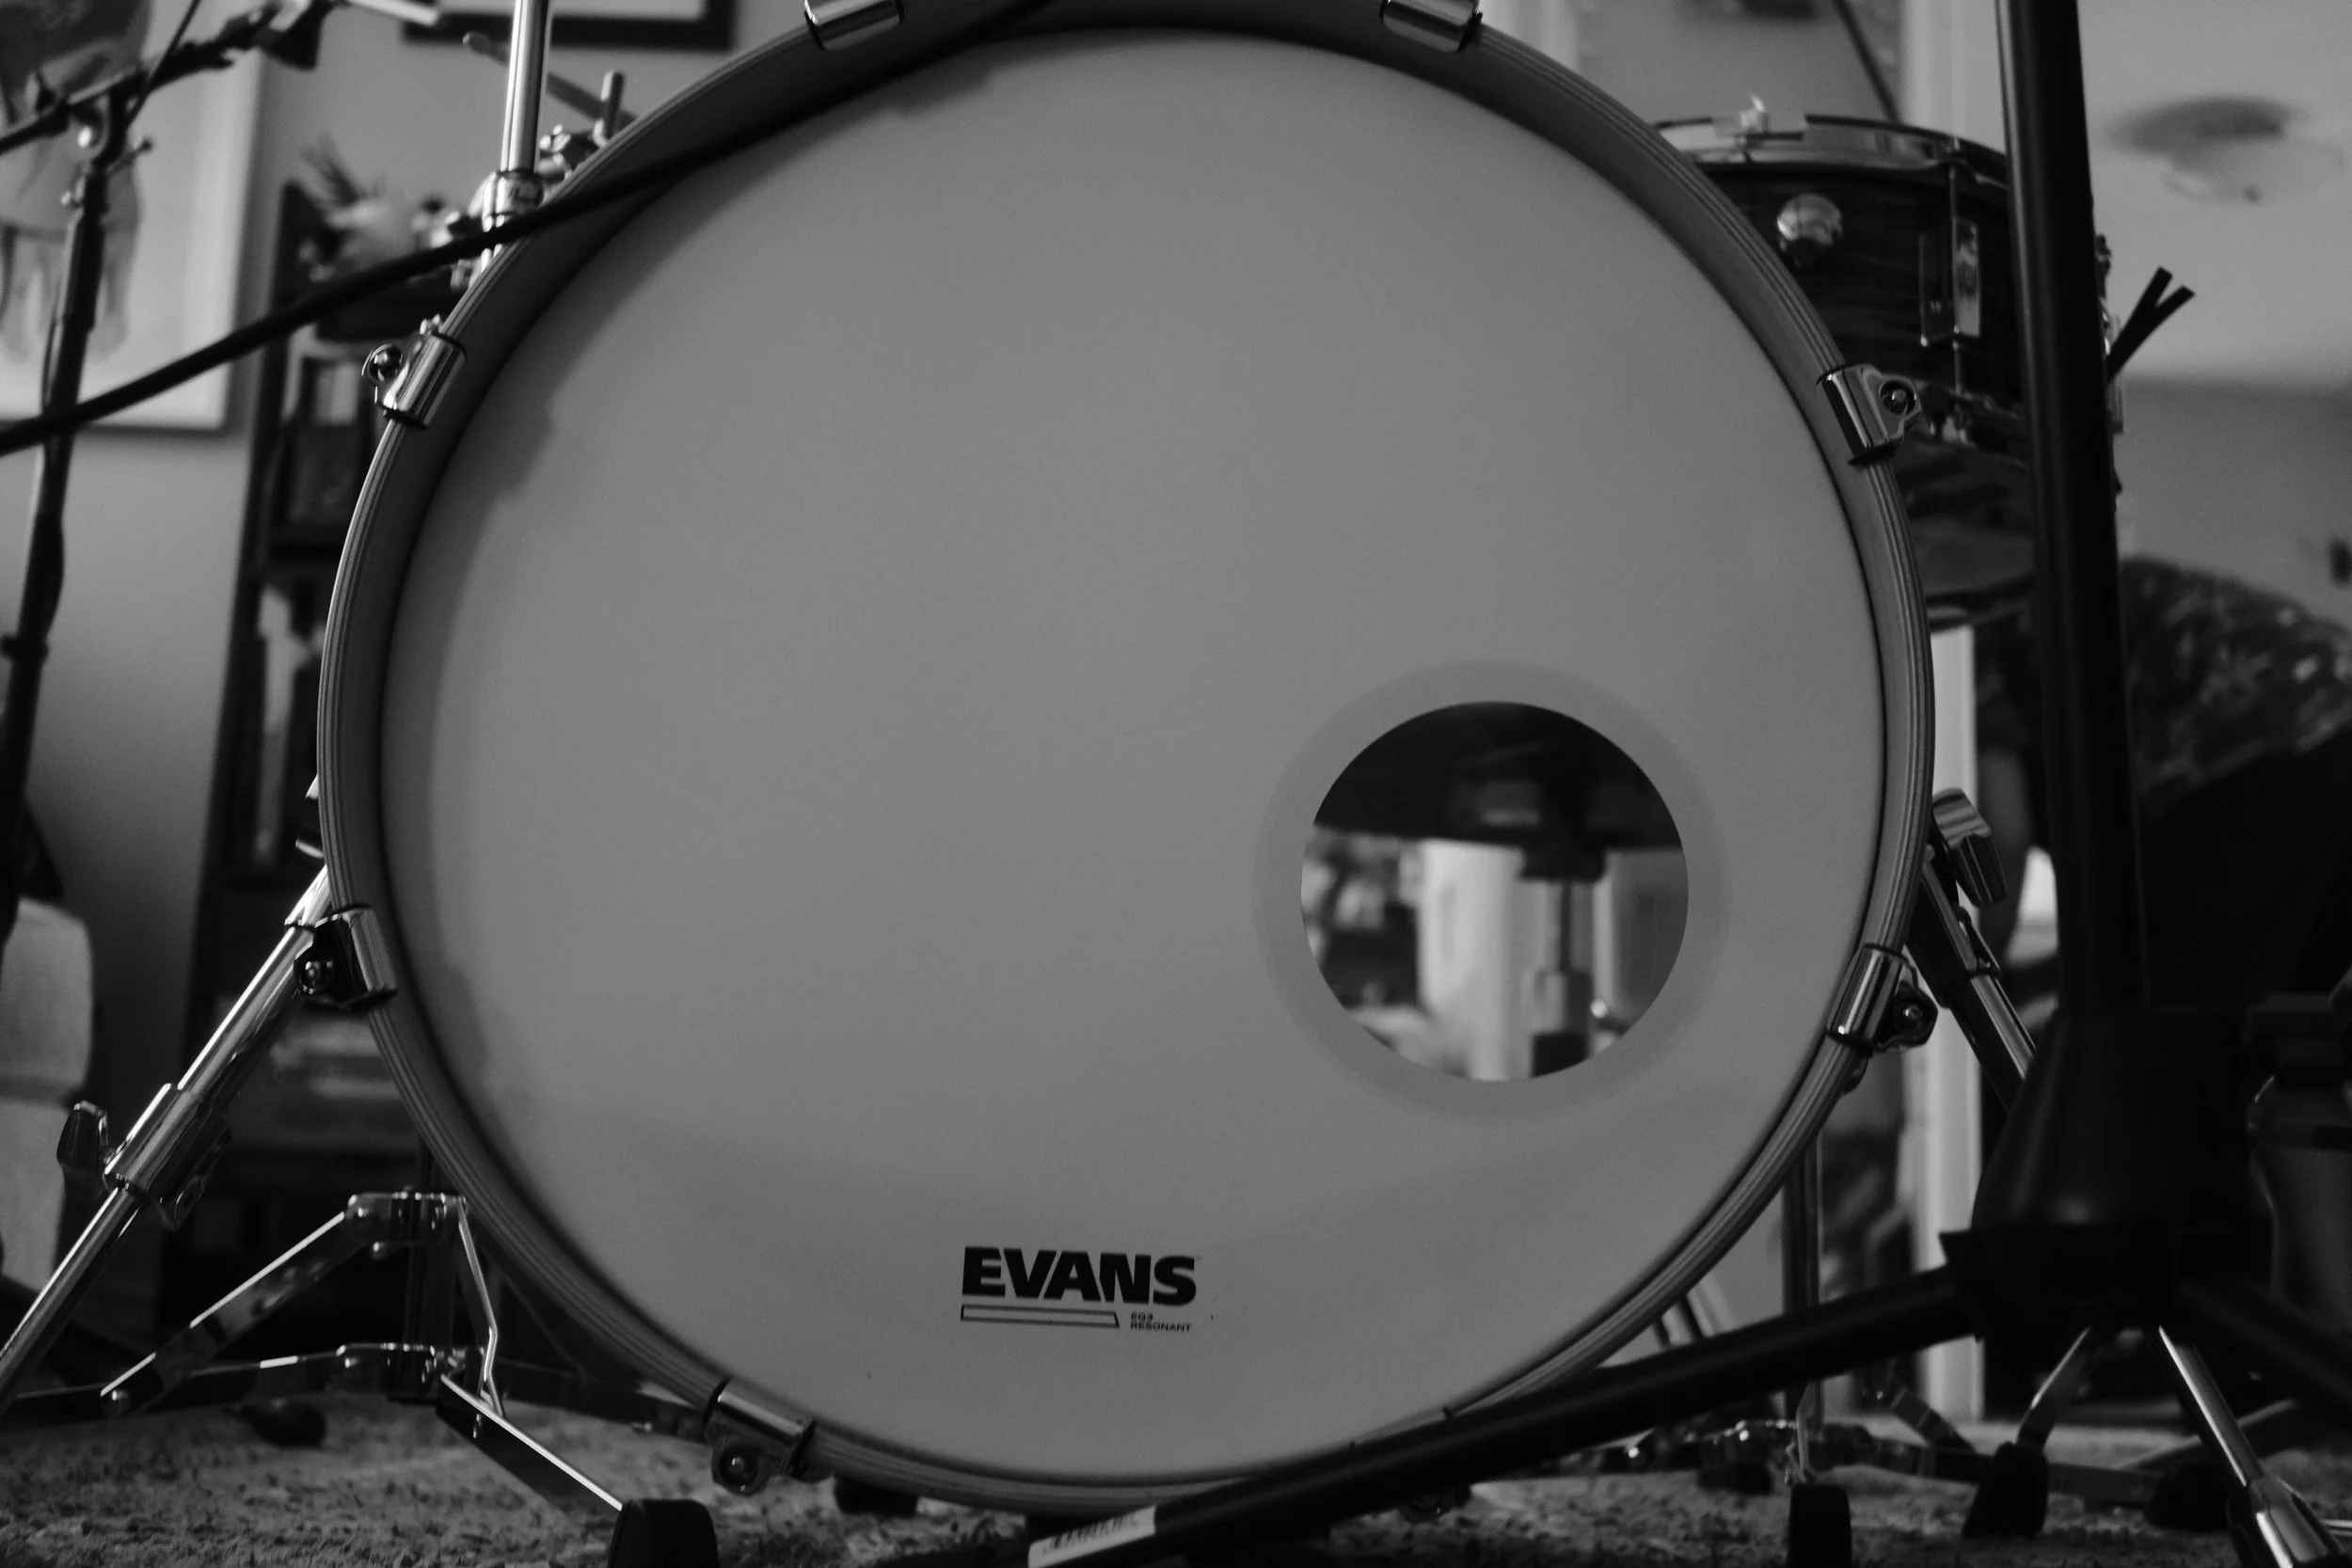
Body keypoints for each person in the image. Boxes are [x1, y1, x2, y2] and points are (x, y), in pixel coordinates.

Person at [1971, 553, 2352, 1329]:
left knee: (2168, 1062)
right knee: (2290, 1045)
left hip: (2250, 764)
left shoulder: (1974, 633)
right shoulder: (2065, 598)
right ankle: (2339, 1338)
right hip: (2336, 737)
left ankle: (2210, 1339)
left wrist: (1977, 983)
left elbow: (2001, 843)